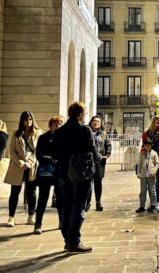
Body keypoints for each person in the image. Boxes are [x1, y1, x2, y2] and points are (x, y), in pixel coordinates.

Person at [52, 101, 100, 253]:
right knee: (78, 207)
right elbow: (92, 150)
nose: (85, 116)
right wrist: (99, 158)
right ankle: (74, 241)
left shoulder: (60, 131)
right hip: (80, 173)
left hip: (63, 173)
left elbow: (54, 152)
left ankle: (67, 239)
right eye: (84, 113)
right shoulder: (84, 130)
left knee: (66, 206)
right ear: (80, 114)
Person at [4, 110, 41, 227]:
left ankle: (31, 215)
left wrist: (29, 163)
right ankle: (11, 217)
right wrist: (20, 162)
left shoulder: (38, 133)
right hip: (17, 167)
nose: (28, 122)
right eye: (26, 119)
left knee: (32, 192)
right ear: (22, 121)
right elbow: (12, 151)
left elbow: (38, 151)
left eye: (30, 119)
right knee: (14, 192)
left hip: (31, 167)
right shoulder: (16, 134)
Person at [34, 115, 64, 234]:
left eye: (60, 124)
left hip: (59, 172)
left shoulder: (64, 138)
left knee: (61, 199)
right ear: (50, 125)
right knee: (43, 199)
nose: (58, 126)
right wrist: (52, 160)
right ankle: (38, 224)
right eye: (55, 124)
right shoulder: (43, 138)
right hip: (45, 173)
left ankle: (62, 222)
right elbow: (39, 155)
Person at [85, 115, 111, 212]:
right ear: (91, 122)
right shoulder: (87, 133)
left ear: (101, 124)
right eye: (94, 121)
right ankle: (87, 203)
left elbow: (108, 145)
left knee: (98, 183)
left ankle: (98, 202)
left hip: (100, 162)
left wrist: (106, 155)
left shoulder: (103, 134)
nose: (95, 123)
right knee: (88, 183)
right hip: (88, 161)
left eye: (98, 122)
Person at [143, 117, 159, 205]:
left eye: (157, 123)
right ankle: (155, 201)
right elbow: (144, 146)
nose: (155, 124)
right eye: (154, 122)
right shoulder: (147, 134)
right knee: (154, 180)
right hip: (151, 161)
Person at [135, 138, 159, 213]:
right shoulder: (142, 153)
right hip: (143, 175)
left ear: (151, 146)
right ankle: (142, 206)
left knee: (152, 190)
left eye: (149, 145)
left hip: (150, 174)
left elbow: (157, 164)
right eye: (146, 145)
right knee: (143, 191)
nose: (147, 147)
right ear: (144, 146)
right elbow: (139, 163)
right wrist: (138, 173)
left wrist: (154, 172)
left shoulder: (154, 153)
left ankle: (153, 205)